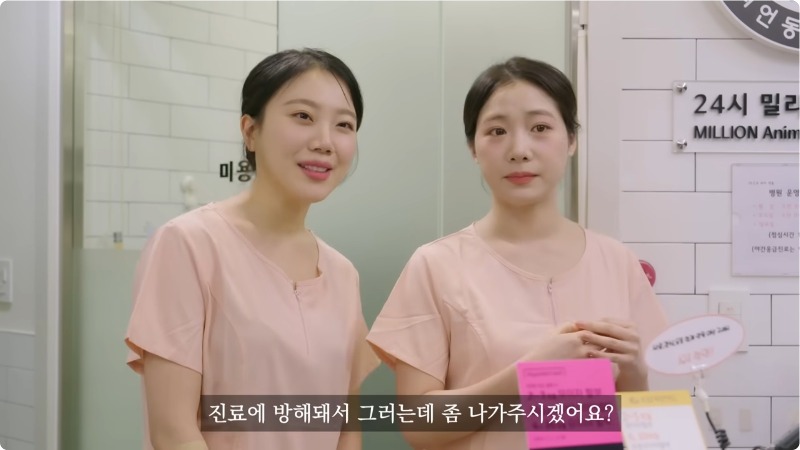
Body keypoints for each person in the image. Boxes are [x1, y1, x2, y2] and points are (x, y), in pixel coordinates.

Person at [366, 57, 669, 450]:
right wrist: (528, 374)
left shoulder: (617, 261)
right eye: (497, 131)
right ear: (473, 148)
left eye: (540, 128)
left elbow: (647, 425)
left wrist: (635, 376)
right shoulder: (436, 265)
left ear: (571, 139)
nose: (519, 150)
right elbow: (419, 425)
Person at [124, 48, 379, 450]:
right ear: (250, 131)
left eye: (344, 124)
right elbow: (173, 431)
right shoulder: (189, 245)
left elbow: (346, 427)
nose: (325, 141)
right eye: (303, 116)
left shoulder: (342, 273)